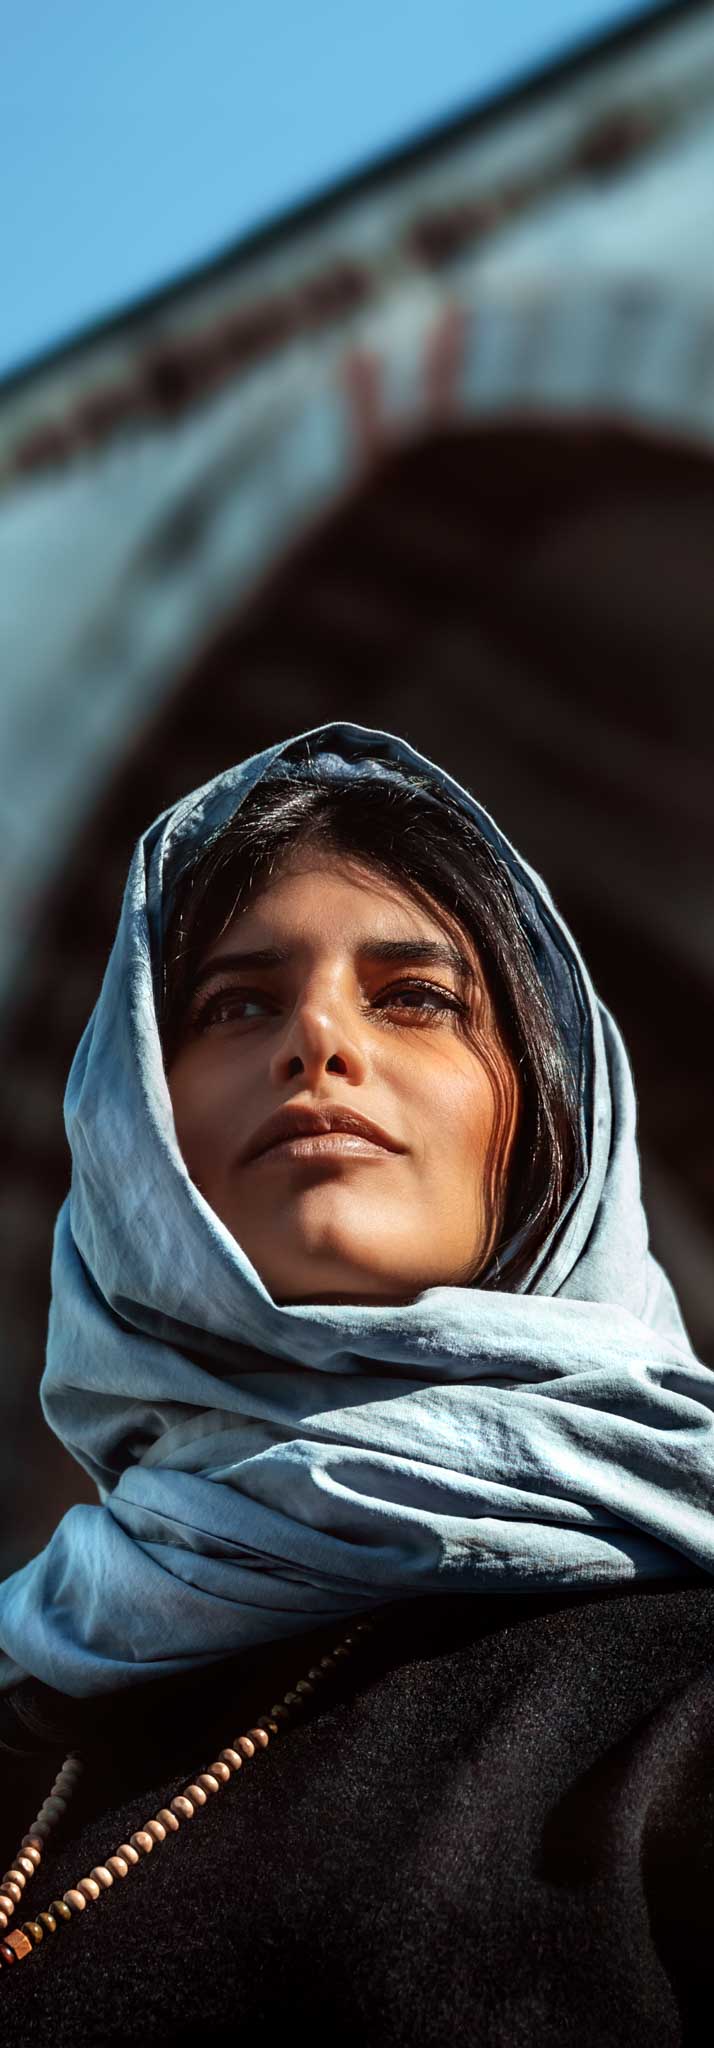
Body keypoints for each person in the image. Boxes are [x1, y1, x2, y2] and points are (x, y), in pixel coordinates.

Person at [0, 719, 711, 2045]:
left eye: (415, 999)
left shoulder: (682, 1694)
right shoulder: (33, 1693)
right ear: (132, 1140)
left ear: (549, 1124)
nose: (319, 1041)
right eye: (234, 1004)